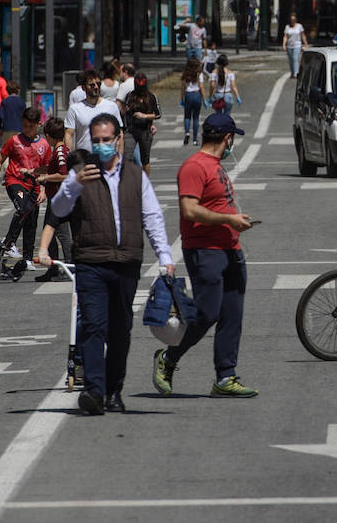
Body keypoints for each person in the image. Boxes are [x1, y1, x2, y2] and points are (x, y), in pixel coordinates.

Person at [37, 114, 175, 415]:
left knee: (120, 330)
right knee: (93, 326)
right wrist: (73, 186)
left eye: (106, 140)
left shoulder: (136, 176)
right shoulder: (80, 174)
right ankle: (94, 391)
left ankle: (114, 390)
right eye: (95, 141)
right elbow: (58, 210)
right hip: (91, 261)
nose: (100, 146)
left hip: (126, 261)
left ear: (118, 140)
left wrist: (165, 256)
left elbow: (151, 217)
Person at [152, 112, 258, 399]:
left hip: (230, 248)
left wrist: (235, 220)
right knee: (207, 312)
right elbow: (189, 209)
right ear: (227, 138)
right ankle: (168, 358)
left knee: (232, 314)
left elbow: (216, 204)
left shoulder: (215, 166)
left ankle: (226, 376)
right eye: (232, 138)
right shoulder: (194, 166)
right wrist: (229, 220)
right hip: (204, 249)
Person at [0, 106, 51, 271]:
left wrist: (43, 190)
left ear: (38, 124)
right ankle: (9, 242)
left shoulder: (44, 145)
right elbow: (0, 159)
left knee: (32, 220)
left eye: (30, 127)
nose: (27, 130)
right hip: (15, 181)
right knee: (23, 208)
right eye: (24, 126)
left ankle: (27, 259)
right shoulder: (14, 141)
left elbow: (47, 169)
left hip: (34, 185)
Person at [33, 118, 73, 282]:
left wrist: (45, 178)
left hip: (59, 199)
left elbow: (63, 174)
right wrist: (33, 171)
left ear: (48, 136)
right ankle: (53, 268)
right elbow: (53, 168)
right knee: (48, 234)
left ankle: (70, 267)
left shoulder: (61, 152)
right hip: (54, 198)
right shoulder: (59, 151)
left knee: (63, 235)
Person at [65, 70, 122, 153]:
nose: (96, 87)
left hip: (107, 159)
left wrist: (120, 157)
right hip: (84, 158)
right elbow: (69, 134)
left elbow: (120, 133)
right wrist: (69, 157)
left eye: (98, 84)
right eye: (92, 85)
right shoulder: (75, 109)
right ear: (83, 88)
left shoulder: (112, 106)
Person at [124, 74, 161, 171]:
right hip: (131, 130)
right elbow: (125, 113)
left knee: (145, 159)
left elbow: (158, 114)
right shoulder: (130, 96)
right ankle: (129, 179)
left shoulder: (151, 97)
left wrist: (145, 116)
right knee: (127, 157)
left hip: (145, 130)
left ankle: (145, 183)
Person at [180, 59, 205, 146]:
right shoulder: (199, 74)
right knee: (196, 117)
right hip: (197, 94)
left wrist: (181, 99)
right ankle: (195, 139)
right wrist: (204, 98)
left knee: (187, 116)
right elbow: (201, 87)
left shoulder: (185, 74)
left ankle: (187, 133)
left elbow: (183, 88)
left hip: (188, 95)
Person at [0, 81, 26, 151]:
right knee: (19, 149)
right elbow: (25, 116)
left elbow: (0, 116)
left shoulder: (4, 102)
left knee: (6, 149)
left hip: (7, 128)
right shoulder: (21, 101)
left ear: (7, 90)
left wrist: (0, 128)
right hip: (19, 128)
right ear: (18, 90)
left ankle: (6, 162)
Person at [281, 13, 308, 79]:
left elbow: (302, 35)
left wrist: (305, 43)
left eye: (293, 20)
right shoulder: (287, 27)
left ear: (295, 20)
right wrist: (284, 45)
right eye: (291, 20)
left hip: (297, 45)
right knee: (290, 60)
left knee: (295, 58)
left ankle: (296, 73)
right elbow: (285, 36)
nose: (292, 21)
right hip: (289, 46)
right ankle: (292, 72)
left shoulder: (299, 26)